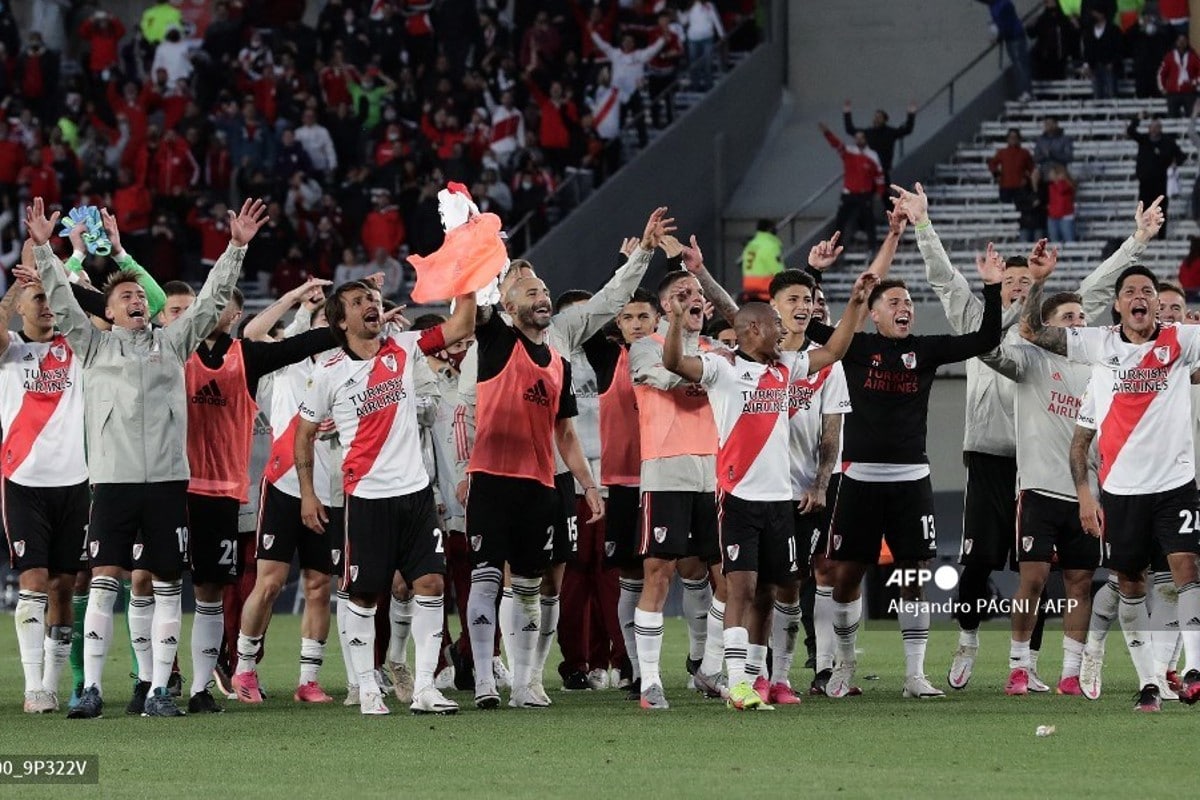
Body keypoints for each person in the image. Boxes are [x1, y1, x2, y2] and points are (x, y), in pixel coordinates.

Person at [28, 196, 268, 719]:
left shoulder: (174, 342)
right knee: (106, 580)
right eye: (126, 296)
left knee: (166, 586)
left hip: (164, 483)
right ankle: (89, 688)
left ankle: (160, 690)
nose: (137, 299)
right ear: (108, 311)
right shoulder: (93, 347)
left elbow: (209, 302)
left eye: (140, 294)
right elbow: (62, 302)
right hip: (111, 482)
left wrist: (235, 249)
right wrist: (46, 251)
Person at [805, 207, 1005, 700]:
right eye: (895, 300)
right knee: (846, 576)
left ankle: (915, 675)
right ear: (873, 312)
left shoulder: (927, 349)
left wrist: (993, 289)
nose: (906, 307)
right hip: (857, 479)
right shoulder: (854, 347)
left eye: (910, 301)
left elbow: (985, 338)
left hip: (912, 479)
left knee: (912, 576)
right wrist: (815, 274)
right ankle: (844, 664)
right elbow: (807, 326)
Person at [662, 268, 874, 710]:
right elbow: (674, 364)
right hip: (738, 500)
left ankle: (759, 678)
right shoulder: (723, 368)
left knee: (775, 590)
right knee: (741, 590)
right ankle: (737, 683)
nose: (784, 331)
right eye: (776, 325)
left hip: (781, 503)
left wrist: (856, 303)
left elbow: (834, 350)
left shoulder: (787, 367)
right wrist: (679, 320)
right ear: (753, 329)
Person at [295, 281, 477, 715]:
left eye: (373, 300)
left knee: (431, 585)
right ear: (341, 320)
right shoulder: (329, 371)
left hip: (415, 495)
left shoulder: (406, 346)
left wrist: (468, 274)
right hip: (367, 497)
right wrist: (307, 493)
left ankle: (425, 689)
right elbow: (303, 435)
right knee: (363, 595)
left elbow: (462, 324)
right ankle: (367, 688)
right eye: (358, 303)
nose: (371, 306)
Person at [1027, 264, 1200, 712]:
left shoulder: (1180, 340)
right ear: (1118, 304)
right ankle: (1148, 683)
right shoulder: (1099, 352)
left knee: (1186, 568)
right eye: (1130, 291)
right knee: (1129, 583)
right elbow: (1031, 330)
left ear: (1156, 304)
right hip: (1121, 490)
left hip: (1176, 484)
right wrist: (1039, 280)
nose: (1140, 297)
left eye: (1147, 291)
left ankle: (1193, 670)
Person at [174, 276, 339, 714]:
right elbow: (257, 335)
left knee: (318, 584)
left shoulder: (348, 371)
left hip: (329, 489)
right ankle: (236, 668)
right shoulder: (281, 362)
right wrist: (296, 299)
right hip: (275, 484)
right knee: (255, 584)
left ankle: (308, 679)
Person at [464, 272, 603, 710]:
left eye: (544, 290)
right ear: (508, 306)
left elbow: (565, 434)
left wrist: (589, 484)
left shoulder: (559, 362)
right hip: (491, 479)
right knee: (486, 579)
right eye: (530, 292)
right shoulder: (497, 340)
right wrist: (471, 261)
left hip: (540, 487)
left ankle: (525, 683)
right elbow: (473, 309)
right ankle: (486, 679)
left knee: (528, 588)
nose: (542, 296)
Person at [975, 245, 1099, 696]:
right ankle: (1019, 666)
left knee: (1081, 581)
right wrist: (1039, 281)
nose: (1078, 323)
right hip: (1040, 488)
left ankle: (1070, 673)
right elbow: (994, 350)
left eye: (1082, 317)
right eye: (1068, 317)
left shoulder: (1100, 368)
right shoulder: (1030, 361)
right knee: (1033, 578)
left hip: (1086, 491)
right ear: (1049, 325)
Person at [628, 236, 740, 710]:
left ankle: (709, 668)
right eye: (681, 295)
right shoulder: (644, 347)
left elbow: (746, 325)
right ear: (662, 307)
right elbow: (674, 378)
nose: (693, 301)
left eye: (697, 296)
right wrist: (708, 364)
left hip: (715, 474)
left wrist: (705, 278)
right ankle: (650, 681)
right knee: (660, 573)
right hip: (667, 471)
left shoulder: (719, 345)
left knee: (730, 578)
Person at [1, 247, 87, 714]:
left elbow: (105, 317)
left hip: (77, 481)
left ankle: (54, 683)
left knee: (64, 586)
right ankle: (34, 684)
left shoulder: (75, 349)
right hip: (23, 481)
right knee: (33, 579)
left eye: (48, 296)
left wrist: (62, 272)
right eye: (36, 297)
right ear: (18, 306)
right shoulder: (10, 351)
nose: (45, 304)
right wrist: (20, 282)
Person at [769, 269, 853, 699]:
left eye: (810, 300)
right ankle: (739, 668)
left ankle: (816, 668)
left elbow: (831, 433)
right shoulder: (752, 358)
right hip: (757, 488)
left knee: (809, 574)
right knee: (752, 581)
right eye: (795, 299)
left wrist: (820, 485)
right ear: (774, 308)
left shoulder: (823, 365)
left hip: (807, 489)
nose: (804, 307)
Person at [583, 287, 660, 699]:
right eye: (628, 317)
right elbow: (592, 317)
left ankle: (704, 662)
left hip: (666, 479)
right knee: (631, 576)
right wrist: (623, 265)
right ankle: (633, 667)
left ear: (657, 319)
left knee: (683, 571)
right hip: (624, 485)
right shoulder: (609, 358)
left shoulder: (673, 354)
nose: (635, 324)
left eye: (643, 317)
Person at [820, 122, 883, 255]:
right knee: (840, 222)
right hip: (848, 194)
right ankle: (835, 249)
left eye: (861, 137)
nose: (859, 140)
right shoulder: (849, 151)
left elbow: (879, 176)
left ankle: (873, 247)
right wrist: (827, 133)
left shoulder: (872, 155)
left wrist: (879, 192)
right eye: (857, 137)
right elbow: (836, 144)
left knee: (869, 221)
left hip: (864, 194)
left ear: (866, 139)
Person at [842, 100, 917, 190]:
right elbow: (850, 130)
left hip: (883, 169)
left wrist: (911, 114)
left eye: (879, 117)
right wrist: (847, 113)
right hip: (869, 170)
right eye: (875, 117)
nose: (876, 119)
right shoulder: (868, 133)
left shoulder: (890, 132)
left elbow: (907, 130)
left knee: (885, 194)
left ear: (885, 120)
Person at [1128, 115, 1183, 237]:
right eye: (1151, 127)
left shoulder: (1168, 142)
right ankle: (1143, 236)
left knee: (1161, 211)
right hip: (1145, 182)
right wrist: (1137, 118)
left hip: (1161, 183)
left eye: (1156, 127)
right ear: (1148, 128)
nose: (1153, 130)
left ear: (1160, 128)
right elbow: (1130, 131)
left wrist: (1174, 163)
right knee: (1144, 210)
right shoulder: (1144, 140)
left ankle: (1161, 236)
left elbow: (1181, 156)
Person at [979, 0, 1032, 100]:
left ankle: (1026, 91)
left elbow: (1005, 24)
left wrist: (998, 38)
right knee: (1019, 64)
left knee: (1020, 65)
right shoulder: (995, 5)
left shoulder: (1002, 5)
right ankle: (1025, 91)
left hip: (1015, 37)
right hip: (1011, 37)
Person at [1027, 0, 1081, 81]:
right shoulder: (1043, 18)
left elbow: (1073, 33)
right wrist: (1030, 27)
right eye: (1046, 2)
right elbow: (1033, 33)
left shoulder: (1063, 18)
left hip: (1060, 55)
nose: (1048, 3)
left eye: (1049, 2)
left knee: (1058, 75)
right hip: (1047, 55)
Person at [1082, 7, 1123, 99]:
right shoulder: (1089, 31)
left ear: (1102, 14)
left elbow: (1119, 49)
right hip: (1095, 68)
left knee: (1112, 94)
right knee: (1097, 95)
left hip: (1110, 68)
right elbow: (1087, 50)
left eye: (1095, 13)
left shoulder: (1114, 30)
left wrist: (1113, 62)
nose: (1093, 15)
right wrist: (1087, 65)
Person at [740, 220, 785, 301]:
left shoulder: (751, 245)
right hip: (765, 290)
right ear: (770, 229)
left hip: (749, 289)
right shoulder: (770, 245)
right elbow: (777, 270)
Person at [1158, 34, 1200, 118]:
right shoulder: (1169, 56)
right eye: (1179, 40)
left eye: (1184, 40)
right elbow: (1161, 73)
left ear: (1187, 42)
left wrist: (1194, 82)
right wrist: (1162, 88)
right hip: (1173, 93)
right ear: (1176, 42)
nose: (1181, 43)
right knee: (1172, 118)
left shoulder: (1193, 56)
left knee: (1192, 118)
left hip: (1189, 93)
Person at [988, 128, 1035, 203]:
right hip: (1005, 186)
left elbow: (1032, 168)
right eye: (1011, 137)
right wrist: (996, 174)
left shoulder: (1024, 153)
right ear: (1007, 139)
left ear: (1019, 139)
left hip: (1020, 187)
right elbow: (992, 164)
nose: (1013, 139)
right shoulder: (1002, 152)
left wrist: (1026, 178)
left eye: (1015, 137)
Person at [1046, 164, 1077, 244]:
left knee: (1069, 240)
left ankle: (1071, 256)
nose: (1050, 175)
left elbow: (1061, 190)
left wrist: (1061, 180)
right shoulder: (1051, 186)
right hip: (1053, 217)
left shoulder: (1067, 184)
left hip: (1065, 217)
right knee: (1054, 242)